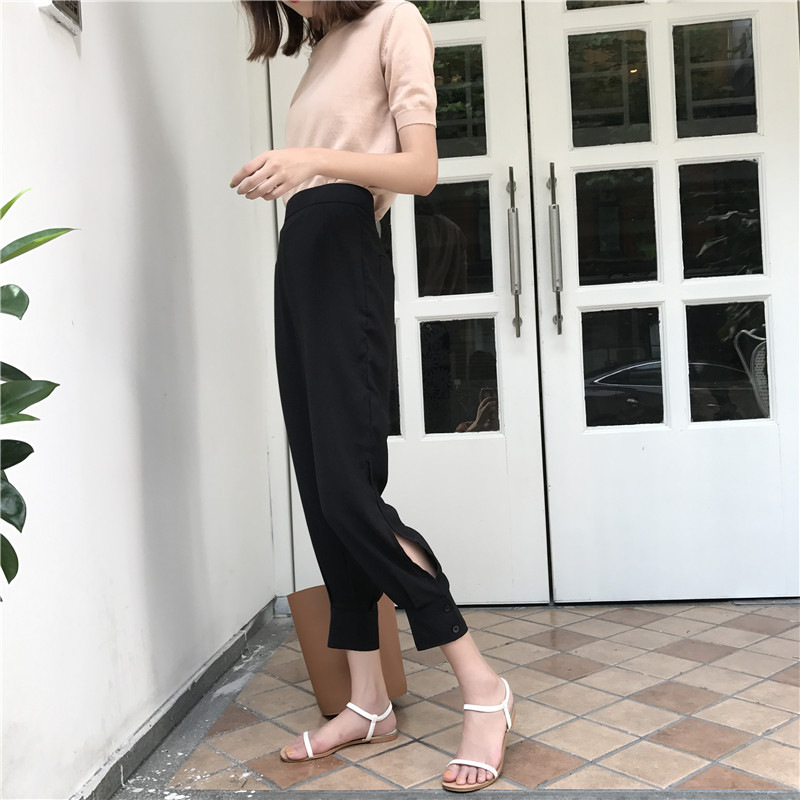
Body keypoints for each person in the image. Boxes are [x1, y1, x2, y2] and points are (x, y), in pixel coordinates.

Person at [229, 1, 514, 791]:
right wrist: (295, 172)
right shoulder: (320, 48)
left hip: (344, 249)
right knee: (322, 496)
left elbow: (421, 170)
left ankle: (482, 686)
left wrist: (311, 160)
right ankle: (366, 701)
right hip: (301, 254)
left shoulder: (395, 20)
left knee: (352, 495)